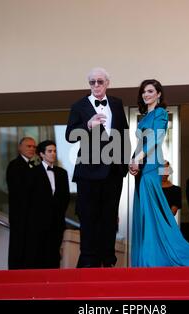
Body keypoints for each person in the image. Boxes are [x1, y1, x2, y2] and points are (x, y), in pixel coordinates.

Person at [129, 79, 189, 267]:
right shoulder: (143, 117)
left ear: (159, 94)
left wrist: (139, 158)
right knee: (145, 213)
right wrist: (133, 160)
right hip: (142, 165)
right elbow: (141, 143)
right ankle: (146, 259)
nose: (146, 95)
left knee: (152, 213)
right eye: (144, 92)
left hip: (151, 165)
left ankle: (153, 259)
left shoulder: (160, 113)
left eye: (150, 91)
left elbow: (156, 139)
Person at [66, 67, 130, 268]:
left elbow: (124, 134)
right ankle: (88, 262)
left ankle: (108, 260)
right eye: (92, 82)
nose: (96, 85)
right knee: (89, 217)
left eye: (99, 82)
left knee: (110, 218)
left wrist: (125, 164)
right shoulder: (79, 106)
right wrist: (87, 125)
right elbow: (70, 135)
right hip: (88, 172)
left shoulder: (117, 104)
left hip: (113, 171)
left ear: (107, 83)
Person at [24, 140, 70, 268]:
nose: (53, 154)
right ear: (42, 154)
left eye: (54, 151)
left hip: (57, 220)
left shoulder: (62, 173)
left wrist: (59, 213)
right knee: (37, 252)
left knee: (54, 252)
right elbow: (29, 197)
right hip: (38, 220)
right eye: (49, 151)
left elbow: (65, 197)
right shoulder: (33, 172)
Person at [6, 137, 37, 269]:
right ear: (20, 148)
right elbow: (17, 190)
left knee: (31, 244)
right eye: (28, 146)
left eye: (34, 147)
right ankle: (15, 272)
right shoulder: (14, 165)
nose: (32, 149)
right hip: (19, 212)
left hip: (32, 213)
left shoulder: (35, 164)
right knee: (18, 243)